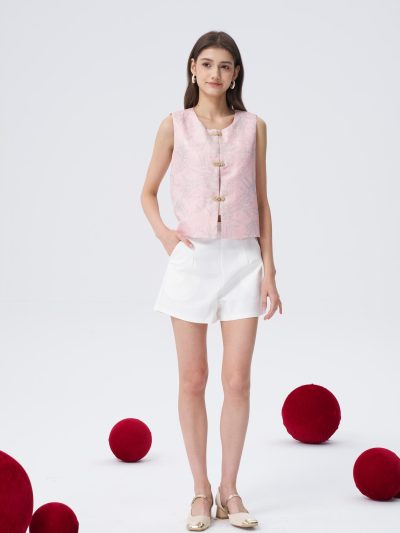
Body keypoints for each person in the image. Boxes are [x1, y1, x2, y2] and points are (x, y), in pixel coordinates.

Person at [140, 30, 282, 531]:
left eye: (225, 65)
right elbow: (147, 192)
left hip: (243, 261)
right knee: (193, 378)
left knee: (237, 380)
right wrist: (165, 236)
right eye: (207, 64)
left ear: (236, 73)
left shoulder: (254, 127)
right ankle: (200, 491)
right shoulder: (173, 125)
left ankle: (230, 490)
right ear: (192, 68)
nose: (215, 73)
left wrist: (269, 270)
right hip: (192, 261)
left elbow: (262, 202)